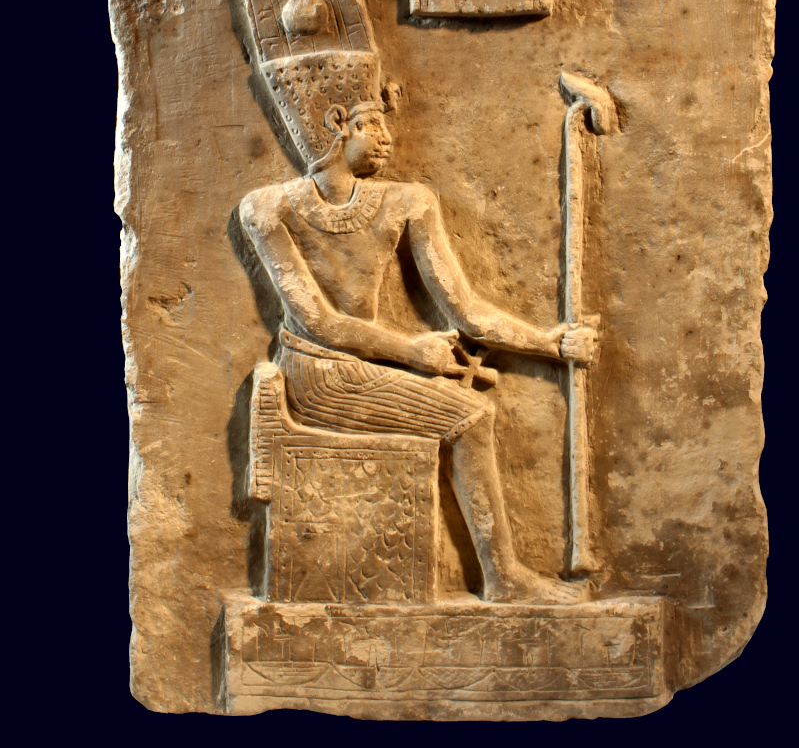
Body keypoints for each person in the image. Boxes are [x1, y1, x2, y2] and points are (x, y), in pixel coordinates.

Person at [240, 51, 596, 602]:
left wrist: (550, 343)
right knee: (471, 416)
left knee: (465, 403)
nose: (388, 139)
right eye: (374, 124)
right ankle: (503, 578)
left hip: (363, 369)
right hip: (318, 376)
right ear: (337, 124)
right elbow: (318, 322)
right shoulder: (267, 208)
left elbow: (466, 311)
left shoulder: (408, 201)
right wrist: (413, 352)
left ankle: (502, 575)